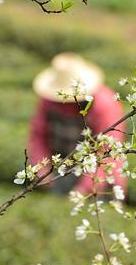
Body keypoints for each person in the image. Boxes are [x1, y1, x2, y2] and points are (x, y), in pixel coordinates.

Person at [28, 53, 127, 196]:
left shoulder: (104, 105)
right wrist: (41, 167)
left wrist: (84, 190)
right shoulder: (48, 101)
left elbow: (107, 151)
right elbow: (38, 134)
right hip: (63, 165)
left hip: (99, 175)